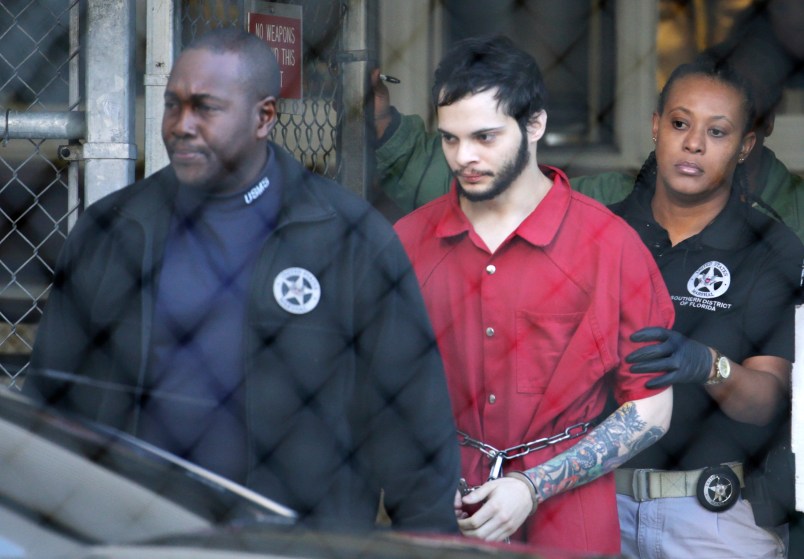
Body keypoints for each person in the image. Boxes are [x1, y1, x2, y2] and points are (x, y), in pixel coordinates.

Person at [24, 28, 461, 534]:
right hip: (137, 539)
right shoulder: (111, 231)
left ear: (264, 117)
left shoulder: (352, 239)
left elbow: (412, 428)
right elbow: (48, 410)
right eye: (173, 105)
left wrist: (429, 541)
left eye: (206, 108)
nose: (181, 126)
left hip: (302, 546)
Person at [393, 35, 675, 555]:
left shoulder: (609, 245)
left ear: (535, 124)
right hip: (438, 507)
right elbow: (379, 394)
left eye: (484, 136)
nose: (464, 157)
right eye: (450, 139)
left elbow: (652, 408)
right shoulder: (406, 243)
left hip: (569, 519)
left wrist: (532, 485)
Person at [611, 56, 804, 558]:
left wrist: (708, 365)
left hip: (714, 516)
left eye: (717, 132)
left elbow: (766, 401)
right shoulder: (604, 231)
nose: (693, 143)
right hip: (599, 500)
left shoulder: (770, 248)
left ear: (744, 148)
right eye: (680, 123)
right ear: (656, 128)